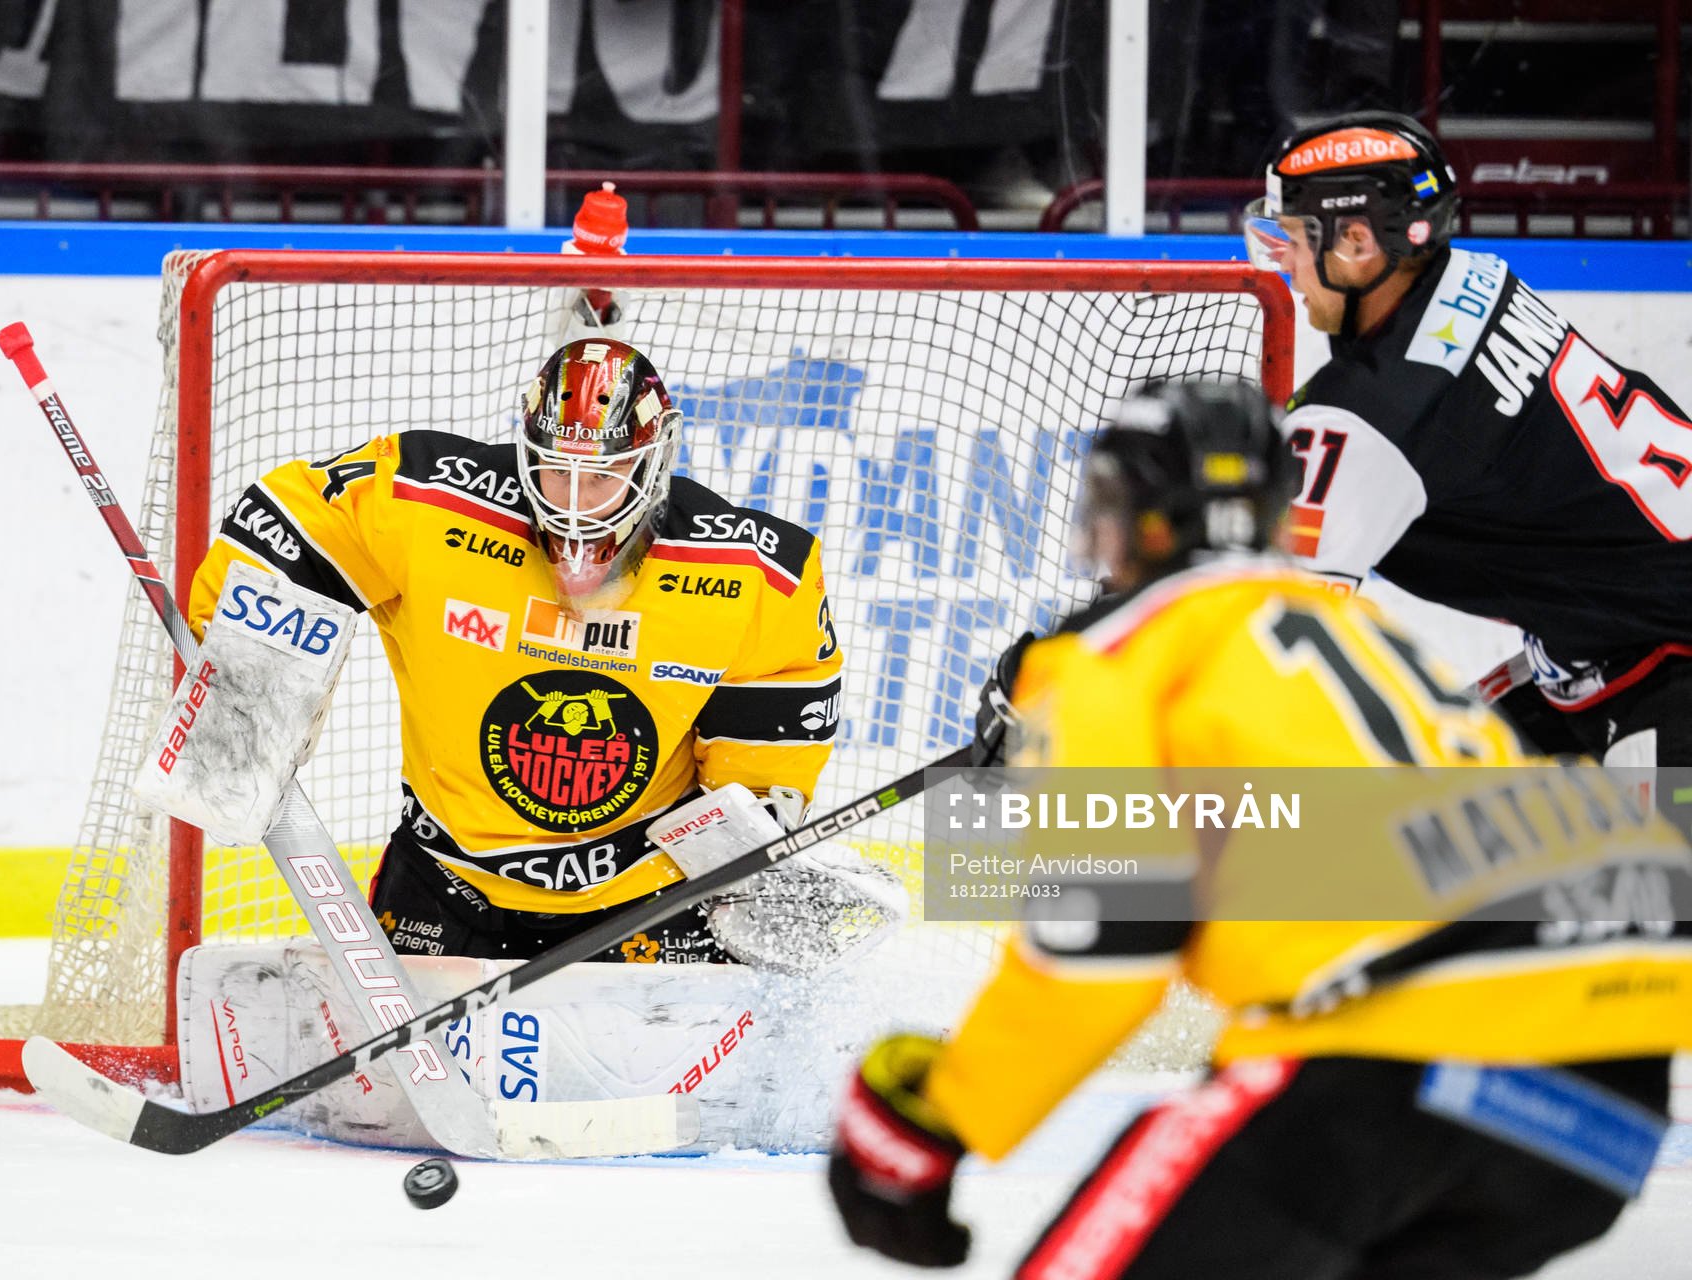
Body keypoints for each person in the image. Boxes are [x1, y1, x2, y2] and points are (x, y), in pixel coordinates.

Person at [826, 381, 1691, 1278]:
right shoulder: (1358, 623)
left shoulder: (1115, 655)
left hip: (1406, 1056)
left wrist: (947, 1117)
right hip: (1609, 1101)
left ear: (1139, 517)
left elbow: (1104, 950)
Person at [186, 336, 854, 966]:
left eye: (602, 478)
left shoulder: (750, 574)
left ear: (654, 463)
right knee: (382, 1090)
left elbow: (772, 732)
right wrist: (243, 687)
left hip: (644, 899)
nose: (573, 506)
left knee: (697, 1092)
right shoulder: (431, 506)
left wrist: (751, 846)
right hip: (446, 881)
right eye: (554, 471)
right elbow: (289, 520)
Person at [1240, 110, 1692, 813]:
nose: (1281, 261)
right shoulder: (1470, 278)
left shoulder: (1371, 415)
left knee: (1658, 909)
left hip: (1666, 657)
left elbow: (1260, 630)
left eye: (1293, 238)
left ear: (1358, 242)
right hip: (1608, 644)